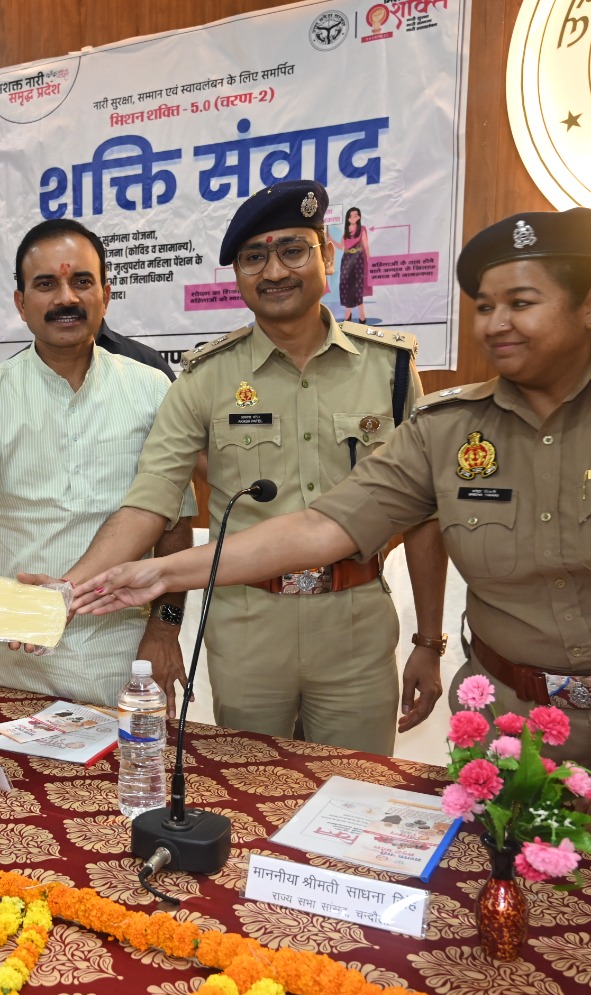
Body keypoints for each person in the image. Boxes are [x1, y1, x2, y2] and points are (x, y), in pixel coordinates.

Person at [74, 207, 591, 837]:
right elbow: (325, 526)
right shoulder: (451, 426)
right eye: (484, 305)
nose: (497, 323)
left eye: (521, 302)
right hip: (521, 734)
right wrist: (160, 573)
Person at [64, 181, 446, 752]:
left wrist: (429, 642)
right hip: (247, 625)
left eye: (292, 250)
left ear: (327, 255)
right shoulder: (205, 378)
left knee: (355, 788)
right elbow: (150, 501)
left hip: (356, 625)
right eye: (253, 258)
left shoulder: (389, 369)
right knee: (250, 785)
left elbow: (423, 515)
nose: (274, 272)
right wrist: (71, 587)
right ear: (238, 275)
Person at [0, 218, 195, 706]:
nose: (66, 298)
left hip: (123, 660)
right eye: (45, 284)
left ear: (106, 295)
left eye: (81, 281)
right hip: (16, 653)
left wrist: (164, 631)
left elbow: (175, 525)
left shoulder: (152, 389)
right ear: (20, 303)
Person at [340, 206, 371, 323]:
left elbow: (366, 245)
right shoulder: (346, 231)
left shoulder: (362, 229)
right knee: (347, 286)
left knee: (358, 286)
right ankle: (348, 314)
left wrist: (369, 259)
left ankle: (362, 315)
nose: (353, 218)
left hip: (358, 258)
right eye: (351, 216)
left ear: (359, 217)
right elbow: (341, 246)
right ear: (348, 218)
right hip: (346, 259)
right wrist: (330, 239)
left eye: (356, 215)